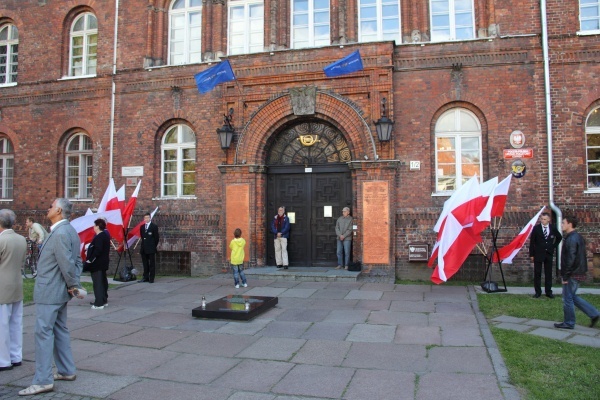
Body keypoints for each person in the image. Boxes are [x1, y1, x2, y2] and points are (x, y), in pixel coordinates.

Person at [19, 198, 84, 396]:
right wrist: (73, 284)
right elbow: (77, 261)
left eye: (50, 206)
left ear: (58, 210)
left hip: (51, 291)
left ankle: (43, 380)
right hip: (59, 291)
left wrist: (73, 285)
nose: (47, 209)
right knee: (60, 329)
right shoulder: (69, 230)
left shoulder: (61, 232)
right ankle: (66, 370)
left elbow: (67, 263)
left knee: (43, 334)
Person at [554, 215, 600, 330]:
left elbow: (571, 259)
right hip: (577, 272)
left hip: (572, 273)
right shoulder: (576, 237)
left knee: (567, 298)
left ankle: (569, 322)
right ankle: (594, 313)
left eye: (563, 223)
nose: (562, 225)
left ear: (570, 224)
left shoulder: (572, 239)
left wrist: (565, 276)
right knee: (572, 296)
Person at [0, 209, 27, 372]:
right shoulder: (21, 239)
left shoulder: (2, 240)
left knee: (2, 325)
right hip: (17, 283)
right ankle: (16, 356)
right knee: (16, 323)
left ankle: (3, 360)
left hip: (3, 286)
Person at [528, 212, 562, 298]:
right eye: (542, 219)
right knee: (537, 273)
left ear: (548, 220)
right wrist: (531, 254)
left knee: (548, 273)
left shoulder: (552, 228)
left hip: (548, 253)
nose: (543, 221)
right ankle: (538, 292)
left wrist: (553, 246)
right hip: (538, 253)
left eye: (544, 219)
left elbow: (559, 237)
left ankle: (548, 291)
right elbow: (532, 242)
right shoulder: (536, 228)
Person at [85, 219, 110, 309]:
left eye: (95, 225)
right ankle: (103, 300)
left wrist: (90, 260)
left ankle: (99, 303)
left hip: (97, 264)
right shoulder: (104, 236)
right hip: (102, 263)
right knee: (102, 282)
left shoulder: (100, 237)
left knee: (98, 283)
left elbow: (98, 250)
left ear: (98, 226)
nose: (93, 227)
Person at [138, 212, 159, 283]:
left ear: (150, 218)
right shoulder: (142, 227)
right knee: (145, 263)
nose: (146, 219)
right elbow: (142, 237)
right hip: (144, 248)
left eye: (148, 217)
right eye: (145, 218)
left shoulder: (154, 227)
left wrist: (153, 246)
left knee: (152, 264)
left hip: (151, 248)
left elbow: (156, 238)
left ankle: (151, 278)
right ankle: (145, 277)